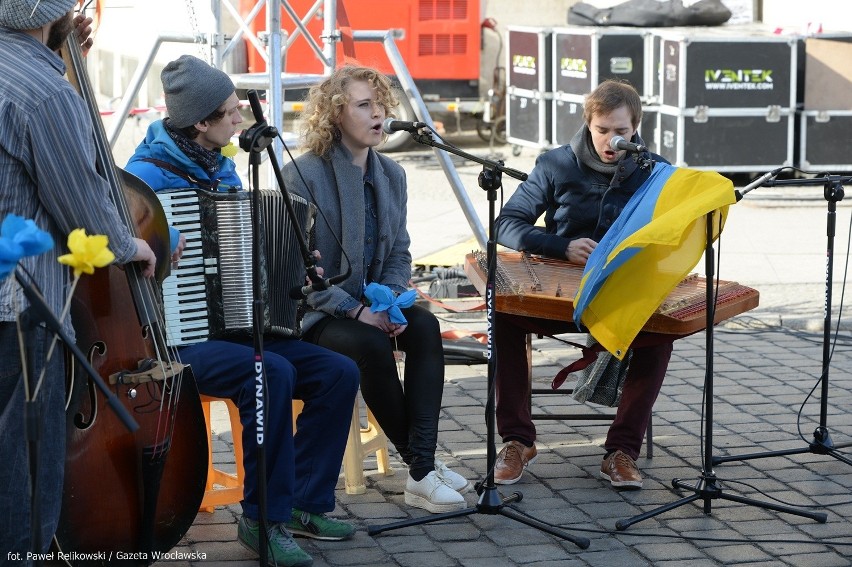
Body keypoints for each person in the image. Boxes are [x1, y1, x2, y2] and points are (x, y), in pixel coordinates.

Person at [125, 55, 360, 567]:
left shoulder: (223, 167)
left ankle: (302, 503)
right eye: (230, 113)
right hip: (177, 336)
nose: (240, 120)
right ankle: (261, 518)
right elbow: (130, 272)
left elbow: (248, 255)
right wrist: (167, 253)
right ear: (199, 122)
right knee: (269, 372)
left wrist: (292, 263)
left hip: (241, 327)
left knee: (338, 372)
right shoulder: (145, 182)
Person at [0, 0, 159, 560]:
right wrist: (130, 243)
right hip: (19, 305)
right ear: (47, 16)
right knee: (23, 465)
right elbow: (83, 209)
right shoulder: (43, 94)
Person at [281, 65, 471, 514]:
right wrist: (354, 309)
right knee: (368, 341)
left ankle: (421, 468)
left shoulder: (392, 175)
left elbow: (400, 251)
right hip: (314, 315)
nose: (378, 114)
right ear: (334, 113)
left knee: (425, 326)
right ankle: (423, 469)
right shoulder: (301, 175)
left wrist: (386, 299)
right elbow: (294, 271)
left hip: (373, 306)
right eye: (364, 105)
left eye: (382, 104)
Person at [492, 79, 675, 489]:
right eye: (603, 130)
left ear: (636, 128)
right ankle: (518, 440)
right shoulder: (556, 164)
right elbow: (507, 223)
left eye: (622, 132)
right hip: (557, 289)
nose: (612, 140)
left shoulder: (655, 171)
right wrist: (561, 246)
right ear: (588, 125)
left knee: (659, 333)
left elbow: (672, 236)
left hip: (620, 294)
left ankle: (621, 450)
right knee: (503, 316)